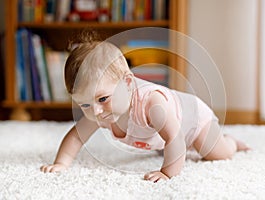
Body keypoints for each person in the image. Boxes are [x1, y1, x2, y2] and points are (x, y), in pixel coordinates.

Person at [40, 34, 250, 182]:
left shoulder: (152, 104)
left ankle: (231, 142)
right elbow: (76, 136)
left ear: (129, 83)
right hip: (164, 134)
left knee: (216, 153)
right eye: (84, 104)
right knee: (166, 143)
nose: (95, 111)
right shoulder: (99, 111)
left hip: (194, 120)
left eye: (102, 99)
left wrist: (167, 173)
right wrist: (61, 163)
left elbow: (175, 137)